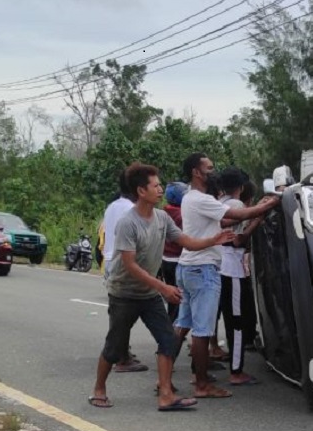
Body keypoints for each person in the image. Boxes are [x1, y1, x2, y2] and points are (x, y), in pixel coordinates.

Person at [88, 162, 234, 411]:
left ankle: (166, 394)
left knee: (167, 339)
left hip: (149, 294)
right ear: (141, 191)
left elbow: (185, 240)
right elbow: (130, 265)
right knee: (114, 347)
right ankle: (99, 389)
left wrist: (213, 239)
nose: (160, 189)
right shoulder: (128, 223)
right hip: (124, 294)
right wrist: (164, 288)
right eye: (155, 186)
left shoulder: (162, 218)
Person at [174, 153, 279, 399]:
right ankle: (202, 384)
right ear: (196, 173)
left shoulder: (192, 198)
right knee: (204, 329)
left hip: (189, 267)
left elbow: (221, 224)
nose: (214, 172)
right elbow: (239, 220)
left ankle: (166, 375)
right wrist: (267, 206)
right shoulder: (205, 199)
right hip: (206, 269)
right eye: (209, 168)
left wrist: (258, 209)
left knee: (182, 325)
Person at [218, 169, 264, 386]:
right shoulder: (235, 206)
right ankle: (236, 371)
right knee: (235, 321)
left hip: (218, 265)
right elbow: (239, 239)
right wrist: (258, 217)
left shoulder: (219, 201)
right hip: (232, 267)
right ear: (242, 187)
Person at [102, 172, 146, 372]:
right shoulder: (131, 209)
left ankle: (121, 351)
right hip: (123, 262)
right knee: (125, 311)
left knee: (119, 311)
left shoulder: (113, 206)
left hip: (110, 260)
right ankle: (120, 356)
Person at [161, 182, 187, 323]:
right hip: (178, 259)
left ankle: (170, 323)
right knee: (180, 297)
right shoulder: (181, 214)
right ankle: (173, 328)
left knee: (171, 296)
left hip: (165, 259)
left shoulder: (164, 211)